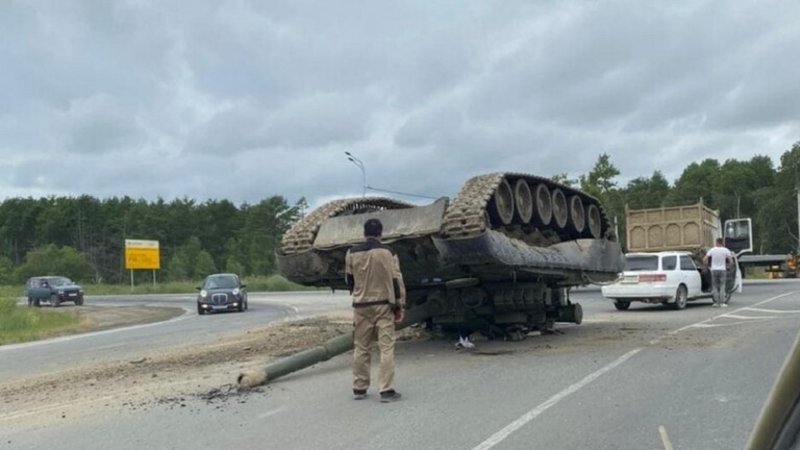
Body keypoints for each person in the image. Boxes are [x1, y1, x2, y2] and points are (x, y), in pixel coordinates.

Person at [345, 218, 406, 402]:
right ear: (381, 233)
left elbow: (349, 280)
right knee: (386, 347)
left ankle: (359, 388)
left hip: (361, 305)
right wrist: (399, 305)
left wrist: (358, 293)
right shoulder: (388, 252)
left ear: (364, 233)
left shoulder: (351, 253)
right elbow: (396, 280)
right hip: (383, 304)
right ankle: (386, 390)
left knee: (361, 347)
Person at [704, 237, 734, 308]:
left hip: (713, 270)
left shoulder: (712, 250)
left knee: (714, 286)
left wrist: (707, 265)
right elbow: (731, 261)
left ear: (716, 242)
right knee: (722, 286)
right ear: (722, 242)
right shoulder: (725, 250)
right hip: (722, 270)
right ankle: (722, 302)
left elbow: (704, 259)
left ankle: (716, 302)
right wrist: (728, 266)